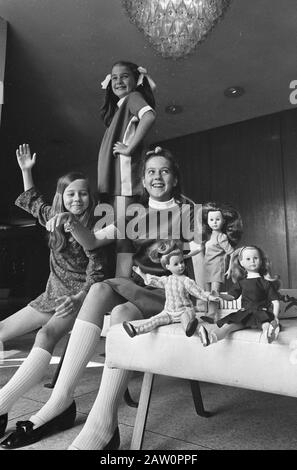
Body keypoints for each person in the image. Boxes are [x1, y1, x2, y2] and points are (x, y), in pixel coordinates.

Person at [0, 146, 202, 449]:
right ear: (143, 182)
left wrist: (205, 303)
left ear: (175, 178)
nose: (157, 176)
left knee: (100, 291)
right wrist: (69, 221)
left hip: (172, 294)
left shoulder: (190, 212)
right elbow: (93, 240)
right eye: (150, 172)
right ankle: (77, 411)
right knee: (111, 304)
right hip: (136, 290)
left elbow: (201, 262)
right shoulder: (134, 214)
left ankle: (85, 415)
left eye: (164, 171)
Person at [0, 144, 107, 440]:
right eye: (70, 193)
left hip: (78, 299)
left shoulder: (97, 227)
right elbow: (33, 201)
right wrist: (26, 171)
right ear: (62, 196)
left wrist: (78, 299)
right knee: (2, 330)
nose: (77, 198)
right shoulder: (52, 216)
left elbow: (97, 273)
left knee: (45, 335)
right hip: (50, 294)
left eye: (83, 193)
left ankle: (1, 405)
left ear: (91, 197)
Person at [98, 60, 157, 276]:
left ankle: (122, 282)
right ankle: (122, 281)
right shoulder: (120, 108)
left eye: (124, 76)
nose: (118, 81)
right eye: (114, 78)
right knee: (120, 232)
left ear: (136, 79)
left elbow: (149, 116)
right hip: (117, 182)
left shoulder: (133, 98)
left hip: (125, 180)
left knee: (123, 234)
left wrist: (129, 148)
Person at [123, 245, 219, 338]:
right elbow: (154, 280)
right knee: (154, 320)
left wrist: (209, 297)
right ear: (168, 266)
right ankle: (136, 330)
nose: (181, 266)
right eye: (176, 264)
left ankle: (193, 329)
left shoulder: (186, 281)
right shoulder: (167, 280)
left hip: (183, 311)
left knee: (186, 319)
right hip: (169, 312)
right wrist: (141, 273)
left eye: (182, 262)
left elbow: (198, 292)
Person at [198, 245, 281, 347]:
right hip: (245, 313)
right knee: (227, 327)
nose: (252, 261)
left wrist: (275, 317)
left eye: (256, 258)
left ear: (261, 261)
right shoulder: (241, 283)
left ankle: (269, 334)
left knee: (266, 324)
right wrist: (219, 295)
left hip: (261, 312)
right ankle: (210, 338)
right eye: (248, 259)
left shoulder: (265, 282)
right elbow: (232, 297)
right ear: (241, 262)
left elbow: (275, 301)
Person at [200, 201, 243, 319]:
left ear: (223, 221)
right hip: (207, 266)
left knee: (214, 292)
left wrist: (230, 268)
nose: (214, 222)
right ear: (207, 221)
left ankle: (212, 314)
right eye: (211, 220)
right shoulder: (210, 236)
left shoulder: (221, 237)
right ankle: (207, 312)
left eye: (217, 219)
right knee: (207, 292)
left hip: (217, 267)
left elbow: (232, 253)